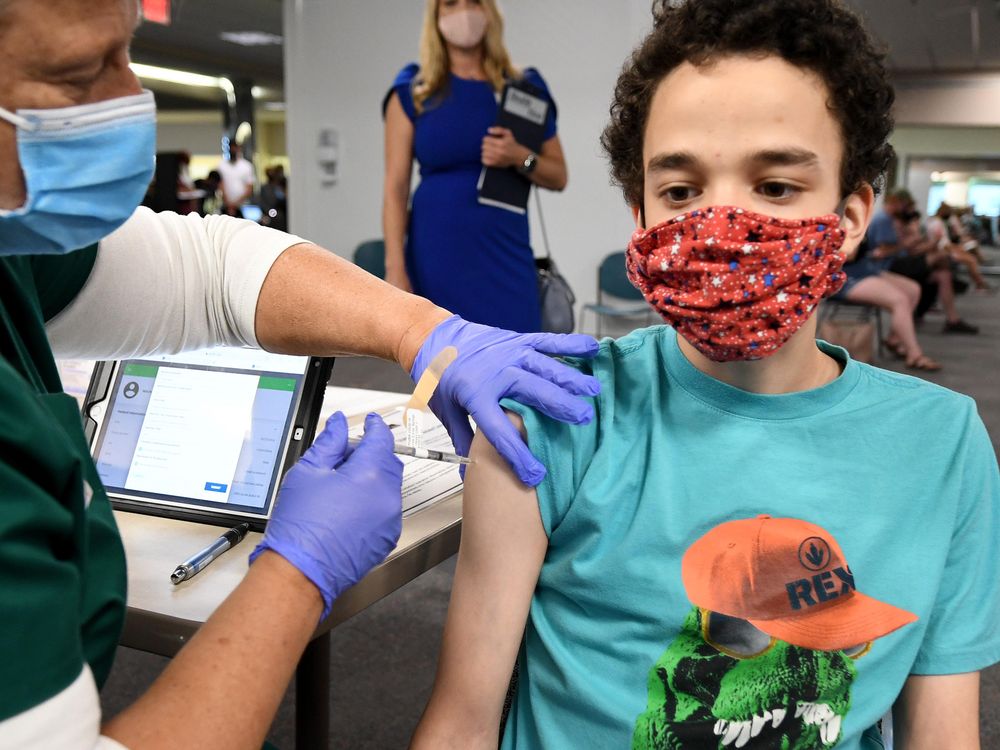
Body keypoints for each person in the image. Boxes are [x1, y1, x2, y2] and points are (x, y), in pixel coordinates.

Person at [0, 0, 602, 746]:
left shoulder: (15, 244)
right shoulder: (414, 90)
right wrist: (297, 571)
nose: (134, 99)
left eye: (130, 53)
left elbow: (210, 266)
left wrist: (426, 330)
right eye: (82, 71)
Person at [410, 1, 1000, 748]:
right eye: (681, 193)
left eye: (776, 187)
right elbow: (461, 721)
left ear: (850, 219)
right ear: (640, 217)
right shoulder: (555, 414)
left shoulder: (941, 447)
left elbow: (943, 733)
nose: (720, 227)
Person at [382, 0, 568, 332]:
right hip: (435, 254)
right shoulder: (412, 92)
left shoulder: (524, 87)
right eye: (451, 4)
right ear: (435, 18)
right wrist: (395, 268)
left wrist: (519, 157)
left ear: (490, 11)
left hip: (504, 252)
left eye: (474, 2)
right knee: (442, 367)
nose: (464, 11)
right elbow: (395, 189)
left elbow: (558, 175)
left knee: (516, 358)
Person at [927, 203, 991, 292]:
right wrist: (956, 248)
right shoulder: (936, 224)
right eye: (948, 212)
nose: (950, 214)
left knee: (971, 253)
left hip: (948, 247)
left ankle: (980, 281)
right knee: (971, 259)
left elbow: (946, 240)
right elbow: (941, 244)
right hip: (945, 250)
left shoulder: (938, 222)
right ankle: (980, 284)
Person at [217, 140, 255, 217]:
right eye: (231, 147)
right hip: (226, 206)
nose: (233, 150)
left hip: (243, 206)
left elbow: (250, 188)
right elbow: (220, 185)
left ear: (239, 149)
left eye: (235, 147)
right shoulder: (221, 165)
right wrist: (228, 203)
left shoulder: (247, 166)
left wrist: (236, 203)